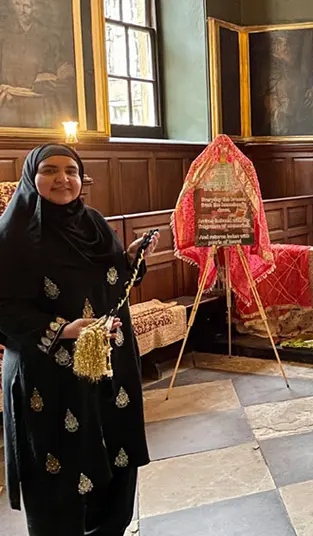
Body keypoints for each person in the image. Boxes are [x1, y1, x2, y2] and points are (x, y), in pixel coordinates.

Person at [0, 145, 159, 536]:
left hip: (107, 365)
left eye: (71, 171)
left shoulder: (92, 223)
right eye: (50, 170)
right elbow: (4, 308)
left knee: (113, 455)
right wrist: (62, 329)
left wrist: (129, 260)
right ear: (31, 177)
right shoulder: (14, 235)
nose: (63, 179)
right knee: (58, 468)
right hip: (46, 374)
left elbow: (110, 282)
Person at [0, 0, 77, 128]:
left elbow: (65, 75)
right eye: (17, 5)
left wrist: (49, 80)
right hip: (9, 106)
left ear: (36, 9)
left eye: (26, 6)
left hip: (39, 108)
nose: (21, 11)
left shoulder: (49, 38)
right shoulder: (4, 37)